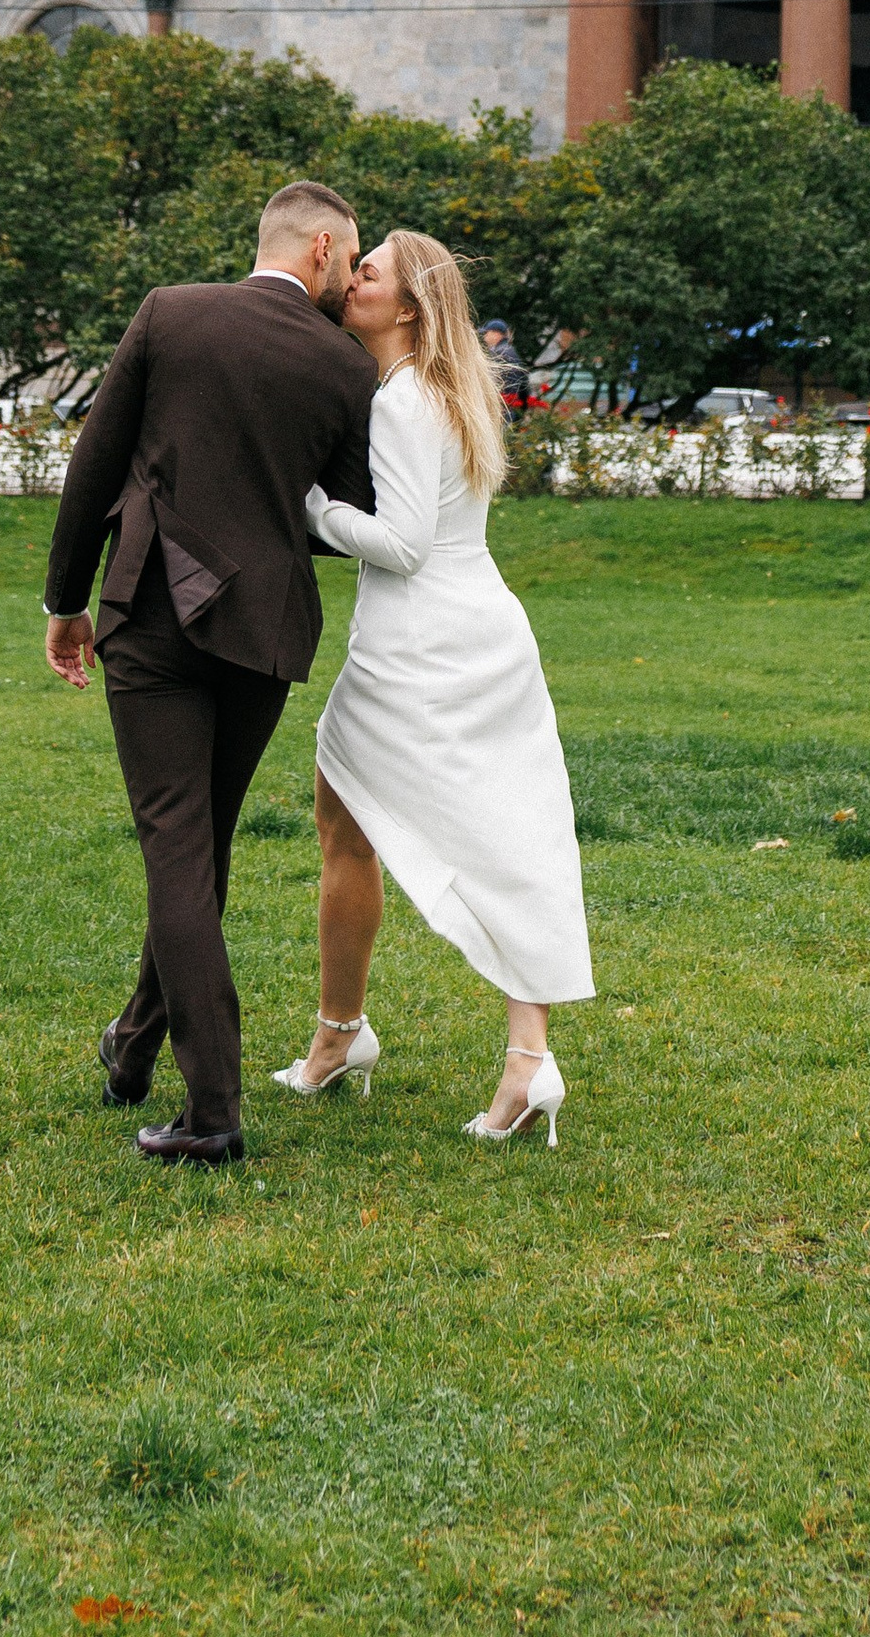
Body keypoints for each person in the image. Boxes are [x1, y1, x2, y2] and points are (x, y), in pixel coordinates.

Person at [42, 180, 375, 1166]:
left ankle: (213, 1110)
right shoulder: (344, 366)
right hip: (263, 631)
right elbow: (345, 517)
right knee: (200, 846)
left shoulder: (170, 313)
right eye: (352, 258)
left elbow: (94, 463)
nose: (353, 278)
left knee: (178, 849)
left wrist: (65, 600)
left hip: (152, 613)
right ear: (320, 247)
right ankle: (133, 1041)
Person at [276, 229, 593, 1144]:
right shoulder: (452, 388)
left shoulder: (404, 398)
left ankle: (344, 1037)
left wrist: (315, 508)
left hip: (418, 649)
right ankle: (518, 1055)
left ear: (409, 307)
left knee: (349, 822)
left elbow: (405, 546)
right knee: (508, 833)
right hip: (484, 629)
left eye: (369, 273)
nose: (351, 280)